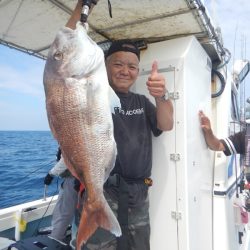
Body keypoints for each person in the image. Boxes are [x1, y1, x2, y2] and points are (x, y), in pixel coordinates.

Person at [66, 1, 174, 249]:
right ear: (104, 66)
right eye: (118, 64)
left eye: (132, 66)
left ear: (138, 71)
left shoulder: (142, 102)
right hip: (102, 190)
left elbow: (166, 124)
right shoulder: (90, 93)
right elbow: (66, 49)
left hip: (138, 198)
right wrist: (83, 7)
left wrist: (162, 96)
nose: (125, 70)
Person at [44, 149, 78, 242]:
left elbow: (66, 160)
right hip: (86, 182)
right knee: (79, 215)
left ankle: (55, 240)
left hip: (73, 181)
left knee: (62, 214)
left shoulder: (71, 137)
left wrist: (51, 174)